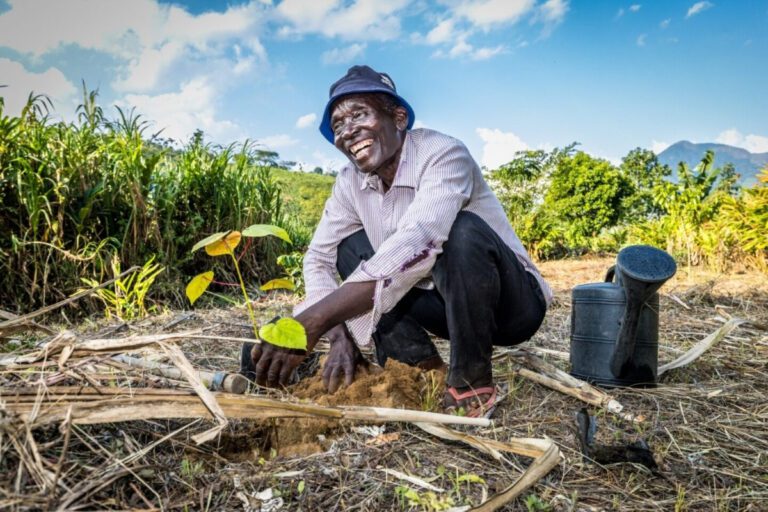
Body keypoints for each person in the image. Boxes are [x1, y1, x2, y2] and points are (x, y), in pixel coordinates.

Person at [244, 65, 552, 417]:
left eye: (360, 114)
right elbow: (318, 259)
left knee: (462, 230)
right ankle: (418, 367)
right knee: (349, 248)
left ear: (399, 117)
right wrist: (336, 334)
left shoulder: (443, 153)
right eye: (338, 125)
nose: (348, 131)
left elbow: (419, 239)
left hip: (510, 306)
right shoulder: (349, 183)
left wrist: (311, 321)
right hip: (443, 306)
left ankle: (471, 378)